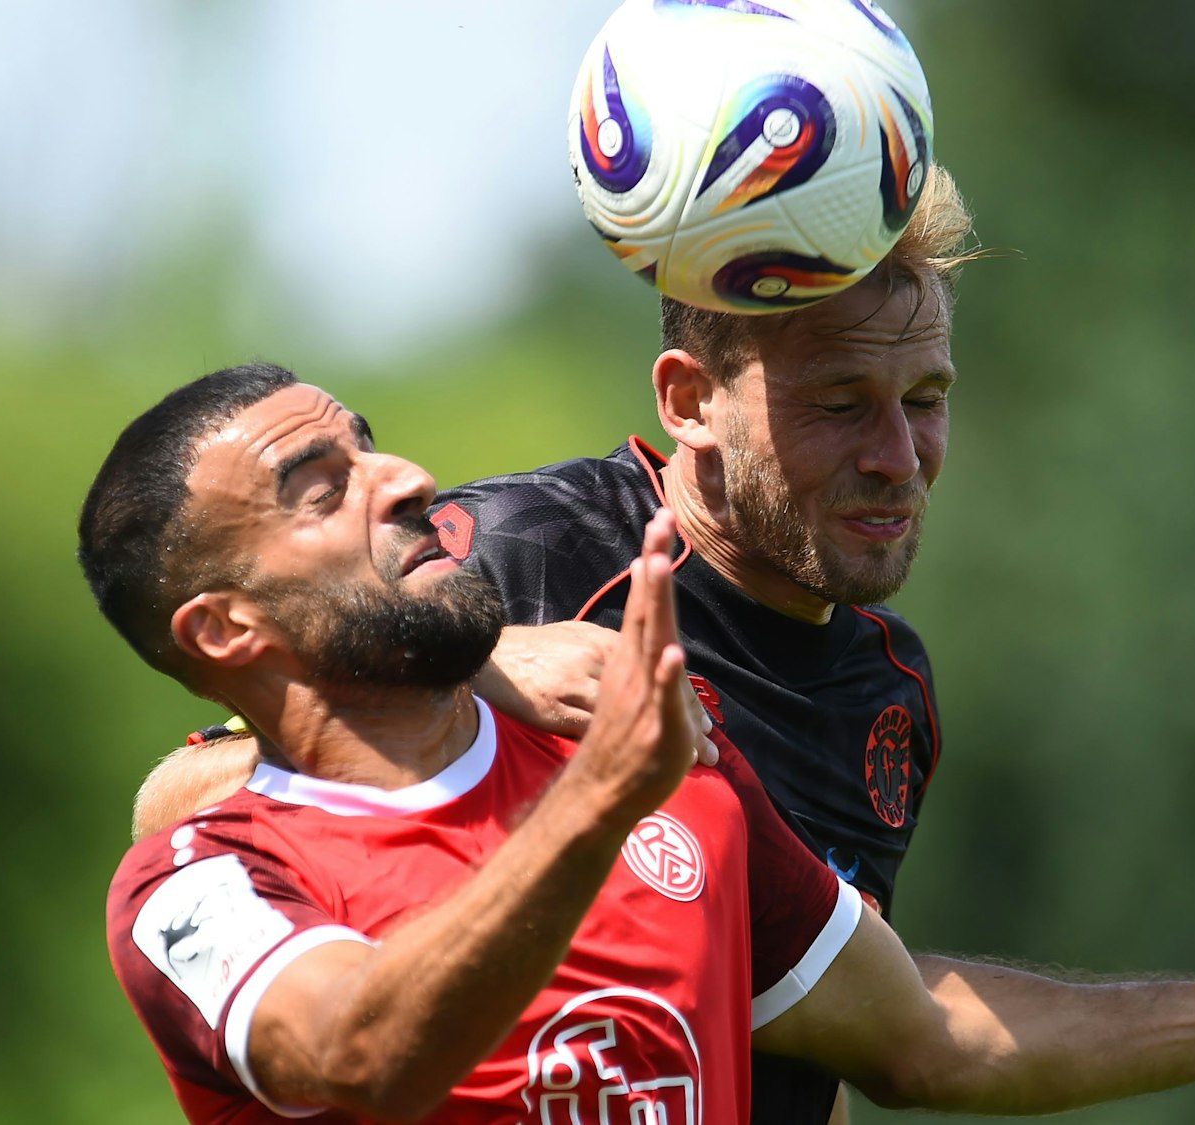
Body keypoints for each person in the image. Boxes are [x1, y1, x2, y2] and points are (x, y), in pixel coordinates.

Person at [82, 366, 1195, 1124]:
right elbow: (368, 1048)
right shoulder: (197, 889)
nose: (402, 478)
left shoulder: (673, 778)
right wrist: (604, 794)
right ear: (221, 631)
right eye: (321, 488)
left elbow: (918, 1032)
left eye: (375, 445)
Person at [132, 171, 974, 1124]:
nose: (899, 458)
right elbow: (187, 803)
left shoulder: (890, 686)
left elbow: (833, 1026)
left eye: (927, 399)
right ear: (693, 402)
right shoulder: (502, 554)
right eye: (839, 402)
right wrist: (479, 672)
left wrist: (1186, 1020)